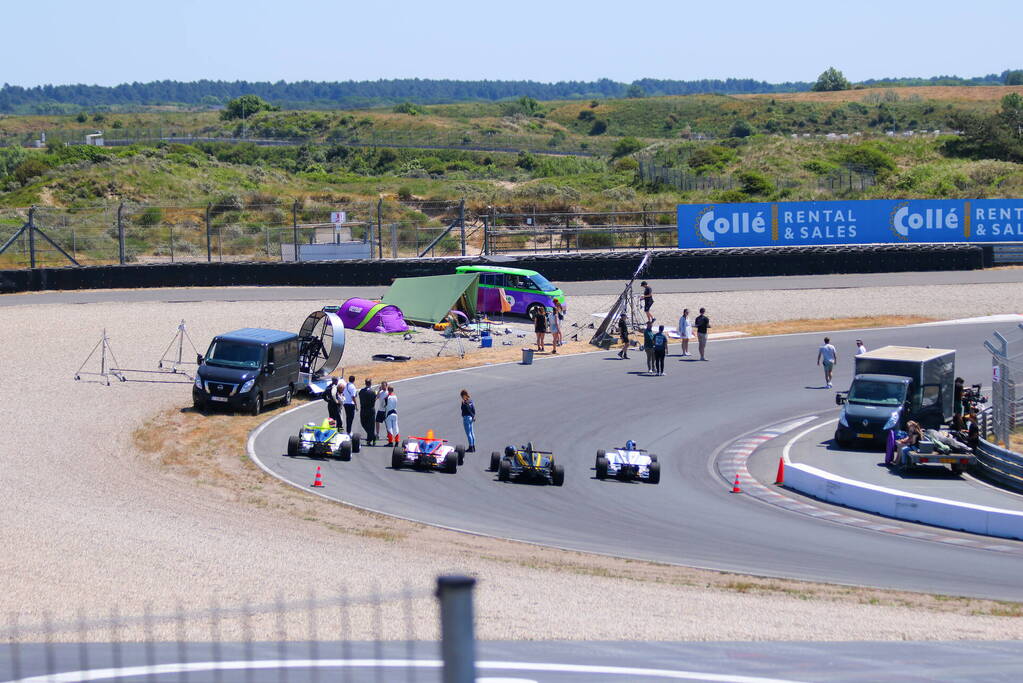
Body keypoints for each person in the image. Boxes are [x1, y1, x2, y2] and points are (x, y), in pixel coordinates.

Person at [358, 378, 377, 445]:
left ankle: (369, 439)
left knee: (364, 423)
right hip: (371, 409)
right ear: (370, 383)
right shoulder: (373, 392)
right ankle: (373, 436)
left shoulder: (361, 391)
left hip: (364, 409)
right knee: (371, 425)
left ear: (365, 383)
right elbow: (374, 399)